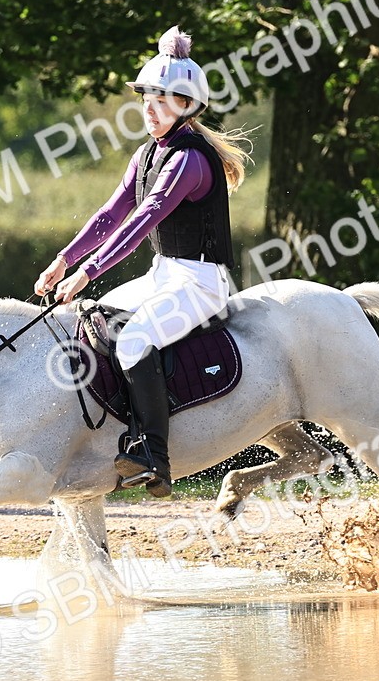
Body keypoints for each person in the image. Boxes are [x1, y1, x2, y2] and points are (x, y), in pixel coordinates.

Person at [34, 25, 251, 498]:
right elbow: (111, 213)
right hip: (164, 275)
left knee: (132, 342)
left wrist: (88, 271)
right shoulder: (149, 152)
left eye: (161, 100)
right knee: (93, 320)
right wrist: (62, 260)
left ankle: (155, 454)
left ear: (187, 105)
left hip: (200, 284)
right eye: (145, 99)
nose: (149, 109)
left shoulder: (188, 161)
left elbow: (142, 221)